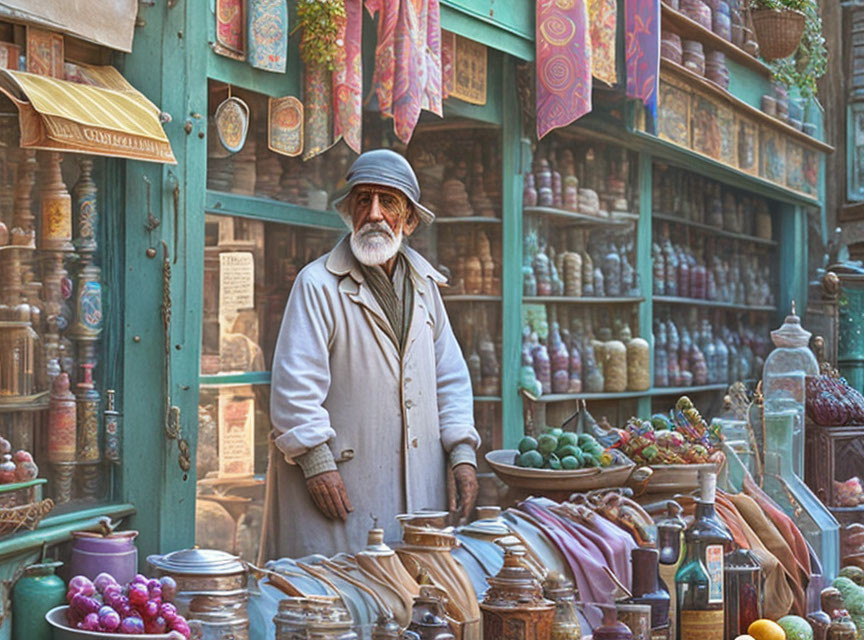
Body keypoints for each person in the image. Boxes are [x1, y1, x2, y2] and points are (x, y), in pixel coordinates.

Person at [259, 149, 481, 561]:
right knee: (334, 607)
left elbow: (450, 379)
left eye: (388, 202)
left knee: (407, 609)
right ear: (350, 213)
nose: (375, 214)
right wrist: (316, 461)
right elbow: (294, 390)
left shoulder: (425, 286)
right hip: (339, 490)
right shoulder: (318, 284)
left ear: (410, 220)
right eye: (364, 200)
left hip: (418, 492)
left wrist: (462, 454)